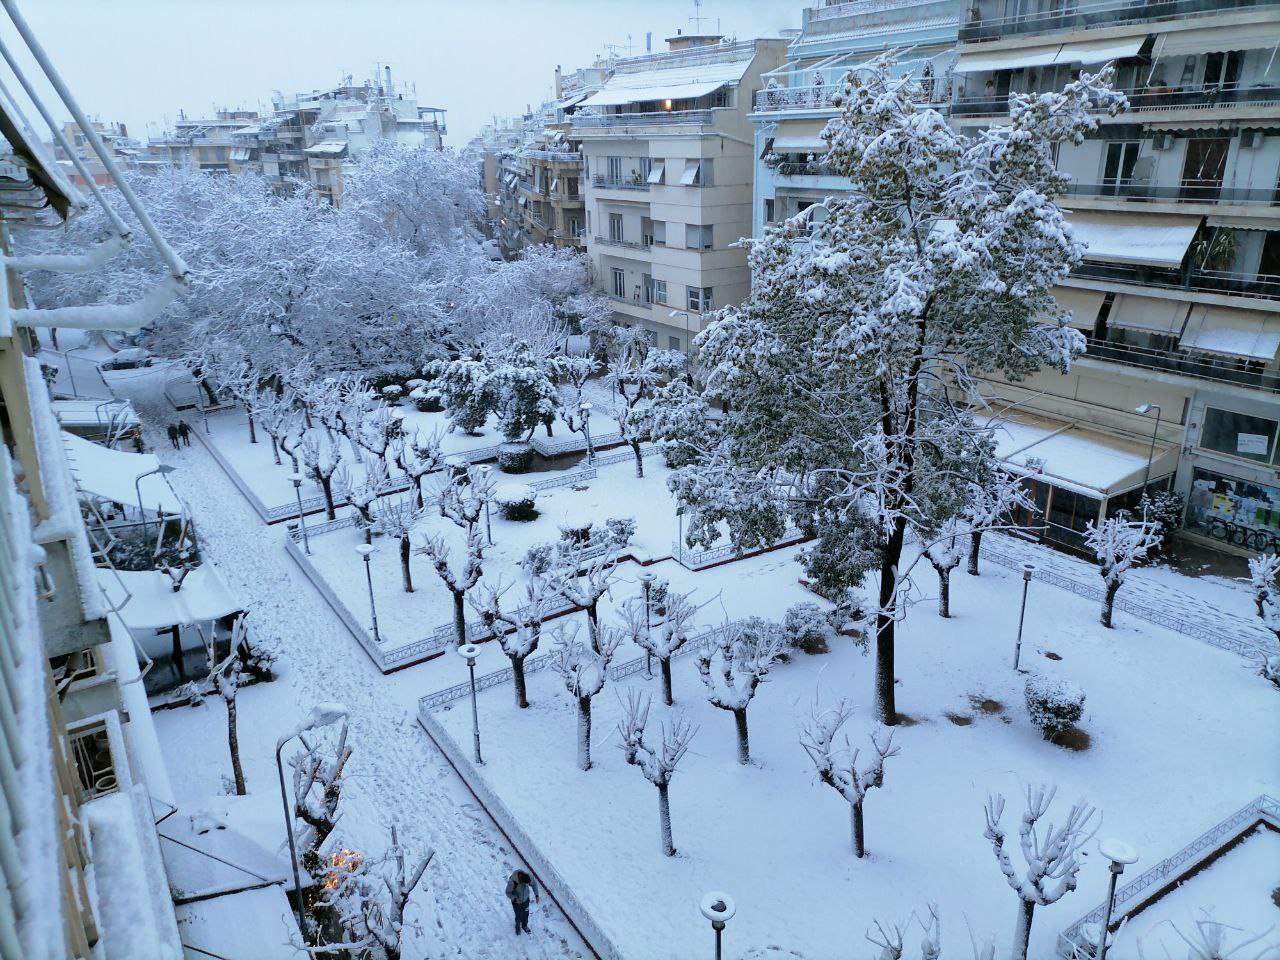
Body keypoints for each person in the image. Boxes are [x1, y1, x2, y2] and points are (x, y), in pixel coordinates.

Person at [505, 869, 538, 935]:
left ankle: (524, 926)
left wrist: (536, 895)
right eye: (525, 884)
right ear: (521, 881)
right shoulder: (512, 882)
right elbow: (508, 892)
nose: (527, 885)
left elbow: (534, 883)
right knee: (518, 916)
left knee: (526, 914)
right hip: (516, 903)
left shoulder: (529, 876)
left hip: (526, 900)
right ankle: (517, 927)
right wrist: (515, 899)